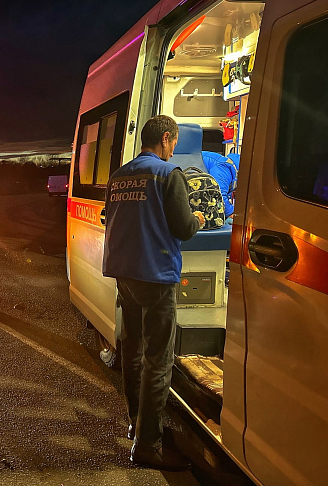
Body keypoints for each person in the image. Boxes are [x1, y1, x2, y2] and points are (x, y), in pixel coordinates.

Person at [102, 115, 204, 471]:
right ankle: (148, 446)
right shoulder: (167, 175)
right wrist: (201, 220)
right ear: (165, 138)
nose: (174, 149)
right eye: (173, 142)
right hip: (157, 275)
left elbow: (112, 217)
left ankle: (136, 424)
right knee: (157, 360)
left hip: (123, 274)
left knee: (132, 351)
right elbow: (183, 227)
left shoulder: (119, 175)